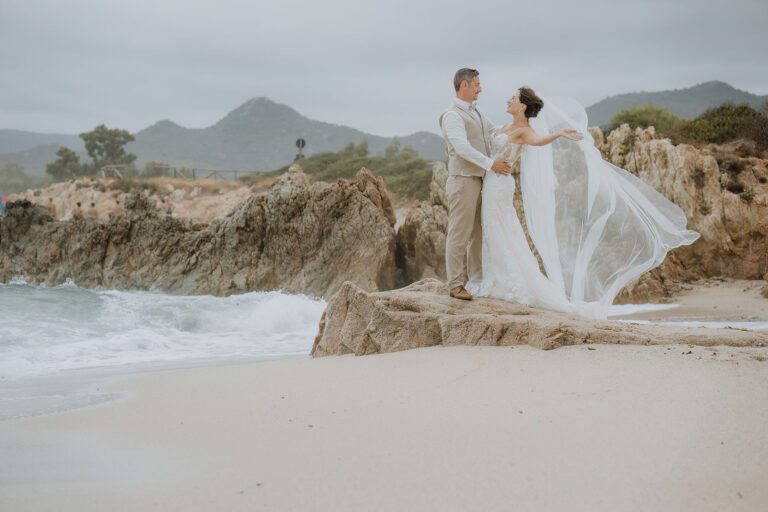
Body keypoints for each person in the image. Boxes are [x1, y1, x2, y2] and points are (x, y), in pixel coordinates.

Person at [466, 87, 700, 319]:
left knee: (499, 230)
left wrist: (558, 134)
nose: (508, 99)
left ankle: (505, 283)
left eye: (513, 98)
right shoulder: (504, 126)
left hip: (500, 186)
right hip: (492, 183)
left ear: (523, 106)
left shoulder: (525, 130)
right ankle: (495, 278)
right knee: (496, 230)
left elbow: (538, 141)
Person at [439, 68, 511, 300]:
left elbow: (493, 131)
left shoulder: (476, 112)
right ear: (464, 85)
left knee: (478, 234)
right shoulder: (452, 115)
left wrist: (520, 125)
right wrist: (491, 164)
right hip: (462, 181)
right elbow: (461, 147)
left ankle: (476, 281)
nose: (481, 88)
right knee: (459, 233)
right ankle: (455, 285)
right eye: (477, 84)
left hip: (481, 180)